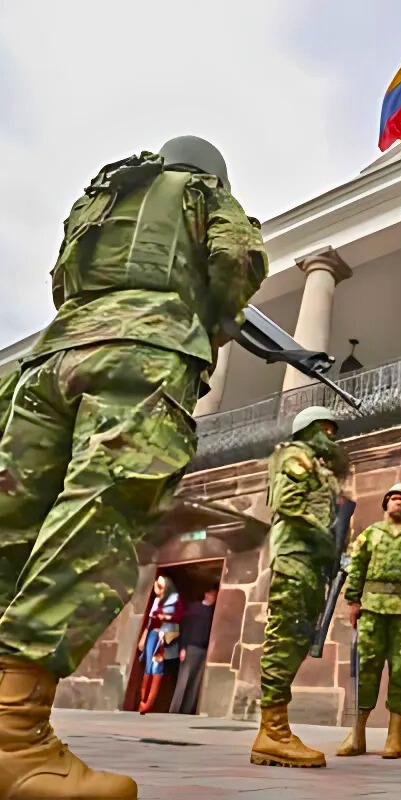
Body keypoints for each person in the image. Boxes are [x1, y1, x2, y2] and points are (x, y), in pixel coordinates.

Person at [0, 135, 267, 799]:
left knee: (11, 523)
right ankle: (13, 738)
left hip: (51, 357)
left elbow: (63, 277)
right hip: (143, 351)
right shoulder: (203, 192)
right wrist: (215, 320)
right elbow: (237, 255)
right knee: (101, 512)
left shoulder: (105, 192)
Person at [250, 406, 347, 769]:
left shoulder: (319, 467)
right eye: (325, 429)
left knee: (299, 636)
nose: (331, 437)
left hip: (310, 560)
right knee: (285, 634)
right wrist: (323, 538)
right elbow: (289, 504)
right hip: (294, 556)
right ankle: (272, 732)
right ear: (308, 430)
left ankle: (275, 728)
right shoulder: (294, 456)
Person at [336, 483, 401, 760]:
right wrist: (354, 601)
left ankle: (395, 736)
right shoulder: (371, 534)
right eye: (393, 499)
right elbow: (357, 567)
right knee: (366, 669)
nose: (397, 503)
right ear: (386, 505)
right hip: (372, 611)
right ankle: (357, 734)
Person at [138, 575, 185, 714]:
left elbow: (179, 615)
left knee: (156, 667)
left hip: (163, 635)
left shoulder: (174, 600)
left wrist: (165, 617)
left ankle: (148, 703)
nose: (156, 587)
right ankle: (142, 699)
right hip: (152, 634)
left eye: (160, 584)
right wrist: (143, 637)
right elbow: (150, 621)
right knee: (148, 666)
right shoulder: (156, 601)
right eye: (156, 584)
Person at [169, 584, 219, 715]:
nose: (214, 598)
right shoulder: (195, 608)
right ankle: (175, 710)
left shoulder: (213, 613)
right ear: (207, 594)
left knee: (196, 682)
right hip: (191, 647)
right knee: (184, 679)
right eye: (213, 595)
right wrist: (183, 647)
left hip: (204, 649)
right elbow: (186, 627)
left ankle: (187, 711)